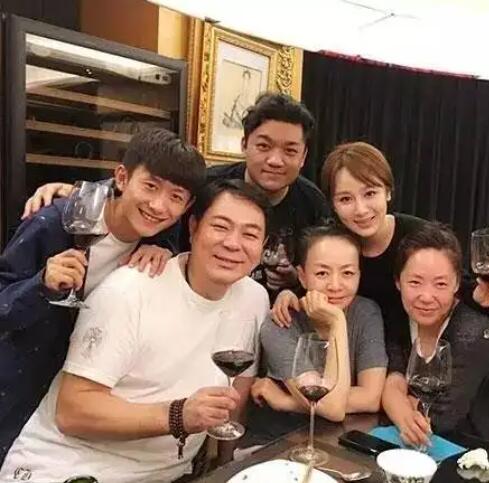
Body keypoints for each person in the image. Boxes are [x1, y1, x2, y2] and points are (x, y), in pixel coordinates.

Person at [0, 179, 271, 483]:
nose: (233, 243)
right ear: (193, 227)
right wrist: (178, 415)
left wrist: (226, 466)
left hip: (166, 475)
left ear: (263, 245)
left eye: (250, 234)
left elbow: (237, 390)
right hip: (68, 467)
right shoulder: (129, 291)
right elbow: (72, 412)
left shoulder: (254, 299)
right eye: (220, 227)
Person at [0, 128, 205, 463]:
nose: (159, 205)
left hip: (83, 386)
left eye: (176, 196)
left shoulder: (165, 233)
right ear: (122, 177)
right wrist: (41, 285)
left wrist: (164, 246)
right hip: (23, 377)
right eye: (150, 186)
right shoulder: (55, 222)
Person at [24, 93, 332, 297]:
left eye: (290, 150)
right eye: (263, 146)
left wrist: (296, 281)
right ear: (244, 144)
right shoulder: (210, 183)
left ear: (304, 156)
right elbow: (155, 186)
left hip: (267, 315)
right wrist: (83, 193)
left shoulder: (313, 203)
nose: (275, 160)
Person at [272, 141, 489, 332]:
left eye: (370, 193)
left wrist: (481, 296)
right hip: (354, 351)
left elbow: (455, 286)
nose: (361, 209)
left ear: (388, 192)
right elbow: (316, 281)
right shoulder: (334, 244)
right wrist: (291, 293)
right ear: (332, 204)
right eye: (345, 199)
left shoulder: (419, 236)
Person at [381, 222, 489, 453]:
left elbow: (441, 418)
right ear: (398, 282)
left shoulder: (472, 332)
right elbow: (393, 378)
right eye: (415, 282)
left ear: (457, 283)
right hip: (436, 446)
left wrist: (401, 402)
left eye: (440, 284)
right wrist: (404, 411)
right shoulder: (400, 316)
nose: (426, 296)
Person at [251, 225, 387, 425]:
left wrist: (287, 401)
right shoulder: (281, 323)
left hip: (346, 434)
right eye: (322, 273)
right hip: (285, 433)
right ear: (302, 276)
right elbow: (332, 407)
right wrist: (337, 321)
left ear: (359, 275)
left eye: (348, 273)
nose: (335, 285)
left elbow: (371, 399)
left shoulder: (366, 312)